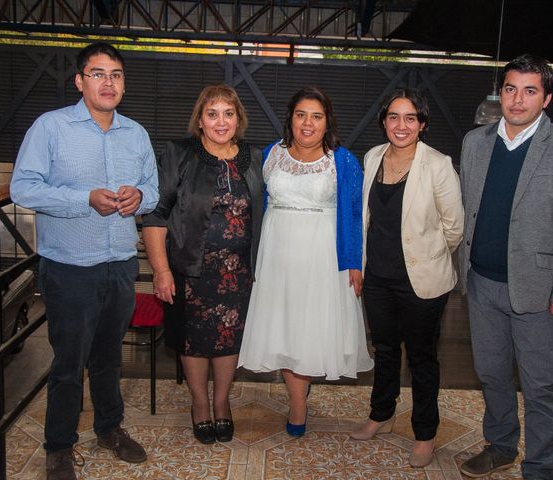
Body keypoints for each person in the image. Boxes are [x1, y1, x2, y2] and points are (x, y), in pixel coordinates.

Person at [10, 42, 158, 480]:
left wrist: (139, 197)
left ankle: (109, 429)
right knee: (68, 363)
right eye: (98, 73)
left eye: (115, 74)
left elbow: (152, 189)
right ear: (80, 81)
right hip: (70, 266)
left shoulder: (136, 134)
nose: (108, 82)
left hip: (118, 263)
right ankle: (58, 446)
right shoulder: (50, 128)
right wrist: (84, 199)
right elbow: (24, 187)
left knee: (110, 358)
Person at [458, 54, 553, 480]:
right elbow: (468, 209)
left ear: (546, 98)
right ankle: (500, 446)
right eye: (511, 89)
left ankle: (540, 467)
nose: (518, 100)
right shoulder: (475, 143)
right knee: (492, 375)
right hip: (481, 284)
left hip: (537, 290)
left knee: (539, 386)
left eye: (530, 90)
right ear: (501, 93)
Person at [238, 86, 373, 436]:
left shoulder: (342, 160)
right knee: (284, 327)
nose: (308, 123)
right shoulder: (269, 154)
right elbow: (255, 205)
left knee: (310, 329)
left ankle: (298, 401)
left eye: (316, 116)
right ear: (291, 120)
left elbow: (354, 215)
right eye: (301, 115)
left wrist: (354, 261)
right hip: (277, 254)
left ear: (327, 122)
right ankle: (298, 398)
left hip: (322, 256)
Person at [142, 84, 263, 445]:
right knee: (192, 341)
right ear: (200, 119)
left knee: (229, 338)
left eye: (228, 113)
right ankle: (199, 403)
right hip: (189, 269)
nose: (220, 121)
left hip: (240, 272)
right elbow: (155, 214)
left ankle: (222, 403)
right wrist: (161, 270)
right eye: (212, 114)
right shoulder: (179, 153)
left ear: (238, 118)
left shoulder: (254, 157)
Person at [350, 88, 463, 468]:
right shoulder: (372, 157)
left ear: (422, 124)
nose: (401, 125)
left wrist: (426, 258)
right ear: (384, 122)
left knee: (421, 357)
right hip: (378, 278)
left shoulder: (438, 164)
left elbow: (454, 228)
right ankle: (380, 414)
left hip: (422, 282)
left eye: (410, 118)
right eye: (394, 117)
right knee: (384, 349)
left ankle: (425, 433)